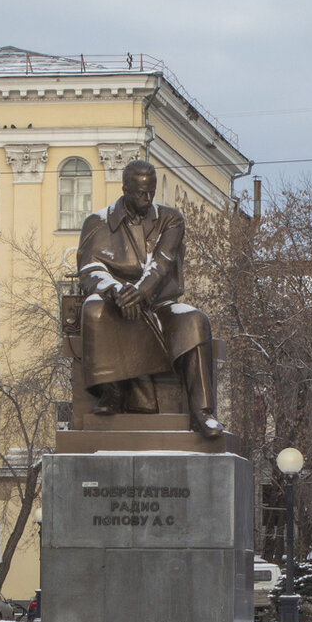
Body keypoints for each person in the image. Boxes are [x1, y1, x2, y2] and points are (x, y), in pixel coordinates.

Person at [76, 159, 224, 439]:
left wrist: (141, 293)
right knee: (93, 309)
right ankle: (112, 389)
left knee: (195, 321)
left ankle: (202, 412)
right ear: (125, 189)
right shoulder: (97, 223)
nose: (147, 198)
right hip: (114, 305)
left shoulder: (170, 219)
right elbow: (89, 268)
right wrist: (115, 291)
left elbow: (163, 263)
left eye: (151, 192)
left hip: (158, 303)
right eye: (140, 193)